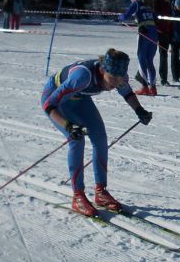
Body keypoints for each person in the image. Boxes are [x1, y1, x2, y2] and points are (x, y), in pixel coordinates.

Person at [41, 49, 153, 216]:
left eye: (119, 79)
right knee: (76, 140)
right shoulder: (82, 77)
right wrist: (68, 126)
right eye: (112, 79)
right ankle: (78, 195)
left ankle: (101, 192)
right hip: (56, 101)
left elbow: (127, 93)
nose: (115, 84)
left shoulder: (119, 76)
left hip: (79, 98)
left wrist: (139, 110)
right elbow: (49, 105)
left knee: (100, 138)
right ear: (102, 71)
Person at [120, 0, 159, 95]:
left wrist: (120, 17)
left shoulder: (136, 4)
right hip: (154, 34)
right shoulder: (148, 5)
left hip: (144, 34)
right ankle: (153, 87)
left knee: (142, 59)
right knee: (150, 61)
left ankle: (145, 87)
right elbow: (155, 18)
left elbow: (125, 16)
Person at [147, 0, 173, 85]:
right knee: (149, 55)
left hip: (165, 30)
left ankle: (164, 79)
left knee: (164, 55)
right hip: (153, 30)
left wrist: (170, 26)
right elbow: (148, 13)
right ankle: (145, 76)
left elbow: (169, 12)